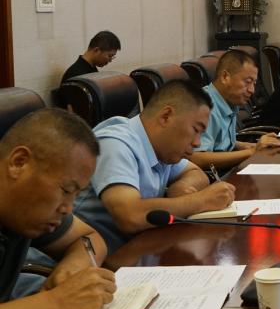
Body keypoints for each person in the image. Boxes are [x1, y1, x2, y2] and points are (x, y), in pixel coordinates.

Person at [74, 81, 236, 255]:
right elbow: (129, 215)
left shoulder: (161, 148)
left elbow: (196, 173)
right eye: (196, 130)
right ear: (166, 116)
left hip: (139, 250)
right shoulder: (115, 144)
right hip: (94, 259)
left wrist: (180, 186)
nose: (197, 143)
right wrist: (200, 201)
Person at [0, 109, 117, 309]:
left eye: (75, 195)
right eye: (65, 190)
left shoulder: (24, 212)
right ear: (19, 162)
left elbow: (89, 238)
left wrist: (71, 270)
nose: (68, 208)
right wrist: (58, 303)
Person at [190, 50, 280, 172]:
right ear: (225, 77)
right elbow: (197, 158)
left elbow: (220, 142)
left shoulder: (228, 101)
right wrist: (252, 151)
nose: (252, 90)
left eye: (254, 83)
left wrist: (253, 146)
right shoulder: (205, 106)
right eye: (248, 82)